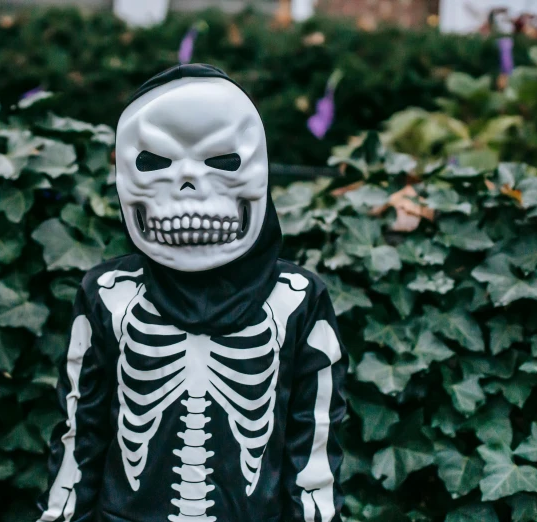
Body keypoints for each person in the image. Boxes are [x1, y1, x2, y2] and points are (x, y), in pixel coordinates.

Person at [36, 64, 348, 522]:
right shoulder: (107, 296)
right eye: (155, 162)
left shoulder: (297, 299)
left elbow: (314, 461)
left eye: (221, 161)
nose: (188, 184)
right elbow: (78, 444)